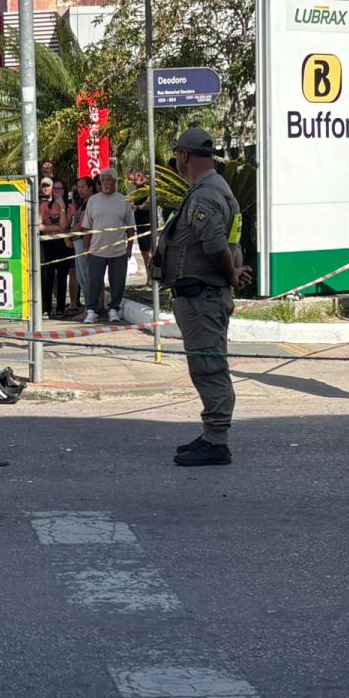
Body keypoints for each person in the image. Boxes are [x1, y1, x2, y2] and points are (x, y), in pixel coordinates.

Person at [157, 128, 251, 467]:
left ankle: (216, 441)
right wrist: (233, 272)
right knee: (207, 365)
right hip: (206, 295)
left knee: (209, 368)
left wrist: (230, 274)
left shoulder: (204, 195)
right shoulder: (220, 190)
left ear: (184, 155)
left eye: (176, 156)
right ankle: (212, 435)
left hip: (201, 296)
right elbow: (232, 242)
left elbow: (214, 244)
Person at [82, 168, 135, 324]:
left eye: (108, 180)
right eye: (102, 181)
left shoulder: (124, 200)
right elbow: (87, 227)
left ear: (115, 181)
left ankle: (114, 310)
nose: (105, 183)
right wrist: (86, 248)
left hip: (118, 252)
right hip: (96, 250)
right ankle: (91, 311)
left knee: (117, 282)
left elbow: (130, 227)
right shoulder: (93, 201)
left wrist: (129, 248)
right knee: (94, 282)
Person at [40, 178, 73, 318]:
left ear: (65, 191)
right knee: (47, 276)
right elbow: (39, 225)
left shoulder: (70, 208)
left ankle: (60, 308)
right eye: (56, 189)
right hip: (47, 243)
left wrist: (63, 208)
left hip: (62, 244)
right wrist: (55, 227)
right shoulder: (44, 207)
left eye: (60, 189)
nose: (58, 191)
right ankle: (46, 308)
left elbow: (65, 226)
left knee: (62, 277)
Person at [68, 176, 96, 313]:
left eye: (83, 187)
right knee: (80, 276)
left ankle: (89, 308)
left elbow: (81, 225)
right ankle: (88, 307)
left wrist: (68, 235)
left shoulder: (90, 202)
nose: (80, 190)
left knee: (85, 276)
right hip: (77, 241)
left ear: (90, 188)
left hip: (83, 242)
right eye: (78, 187)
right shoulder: (83, 202)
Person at [129, 169, 154, 269]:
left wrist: (136, 207)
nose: (132, 182)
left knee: (148, 252)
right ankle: (149, 274)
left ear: (139, 175)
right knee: (144, 251)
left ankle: (153, 274)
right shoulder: (136, 187)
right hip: (139, 223)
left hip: (148, 223)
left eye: (133, 180)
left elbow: (148, 205)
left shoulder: (149, 186)